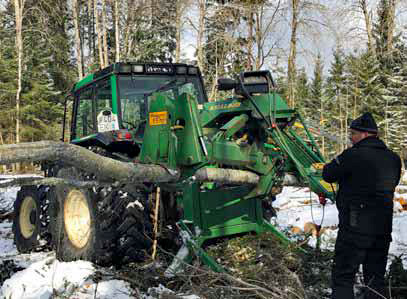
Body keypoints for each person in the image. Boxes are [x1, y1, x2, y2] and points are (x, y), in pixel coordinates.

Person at [322, 112, 402, 299]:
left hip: (354, 226)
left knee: (343, 275)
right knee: (375, 278)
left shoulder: (352, 155)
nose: (351, 137)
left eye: (353, 133)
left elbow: (328, 174)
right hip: (382, 228)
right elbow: (393, 182)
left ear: (365, 134)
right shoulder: (393, 158)